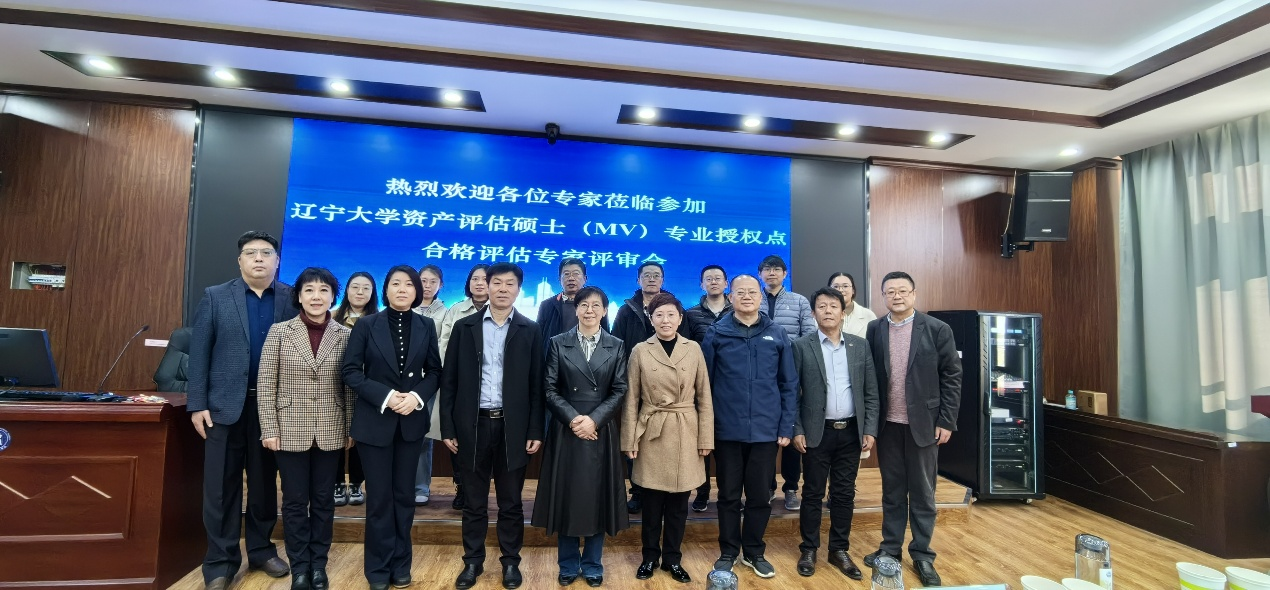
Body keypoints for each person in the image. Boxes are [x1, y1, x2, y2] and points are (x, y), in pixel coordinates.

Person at [188, 231, 297, 590]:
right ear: (240, 261)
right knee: (221, 487)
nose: (259, 259)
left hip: (271, 409)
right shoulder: (216, 296)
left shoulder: (291, 298)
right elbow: (199, 353)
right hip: (223, 408)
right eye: (251, 253)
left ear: (277, 260)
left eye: (266, 253)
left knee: (264, 485)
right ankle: (220, 562)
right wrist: (197, 404)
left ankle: (262, 550)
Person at [440, 263, 545, 590]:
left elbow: (537, 385)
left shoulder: (530, 329)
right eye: (496, 282)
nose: (502, 289)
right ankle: (472, 562)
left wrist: (535, 430)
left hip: (513, 429)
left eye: (509, 284)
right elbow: (449, 380)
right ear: (486, 287)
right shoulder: (465, 327)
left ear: (518, 290)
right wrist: (447, 427)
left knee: (511, 502)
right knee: (474, 501)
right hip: (472, 426)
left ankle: (511, 562)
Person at [341, 265, 443, 590]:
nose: (402, 289)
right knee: (379, 500)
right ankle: (377, 569)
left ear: (417, 292)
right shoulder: (366, 324)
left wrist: (415, 397)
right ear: (385, 290)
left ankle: (401, 565)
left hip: (410, 424)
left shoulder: (426, 325)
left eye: (408, 285)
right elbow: (351, 371)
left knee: (404, 497)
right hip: (375, 423)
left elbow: (435, 372)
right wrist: (385, 396)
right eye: (395, 284)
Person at [863, 271, 962, 588]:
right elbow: (870, 377)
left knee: (922, 492)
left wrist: (946, 420)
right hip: (888, 425)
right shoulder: (875, 329)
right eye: (890, 291)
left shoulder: (936, 329)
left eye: (903, 290)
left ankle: (922, 554)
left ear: (914, 294)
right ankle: (890, 549)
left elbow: (952, 376)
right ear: (883, 296)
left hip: (925, 425)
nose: (897, 296)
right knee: (892, 491)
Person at [257, 267, 353, 590]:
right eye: (309, 290)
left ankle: (318, 566)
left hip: (330, 427)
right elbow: (266, 383)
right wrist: (269, 427)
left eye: (324, 290)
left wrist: (350, 428)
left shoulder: (345, 335)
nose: (316, 296)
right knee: (295, 501)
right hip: (288, 428)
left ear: (333, 297)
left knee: (324, 501)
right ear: (298, 296)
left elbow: (350, 387)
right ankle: (299, 567)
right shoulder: (279, 332)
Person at [532, 286, 629, 587]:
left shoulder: (616, 345)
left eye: (596, 305)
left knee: (597, 497)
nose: (589, 310)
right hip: (567, 429)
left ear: (605, 310)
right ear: (575, 310)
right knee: (567, 497)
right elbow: (549, 388)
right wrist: (574, 419)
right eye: (584, 305)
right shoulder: (558, 342)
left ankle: (592, 564)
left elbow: (620, 389)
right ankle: (568, 564)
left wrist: (594, 420)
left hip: (600, 430)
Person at [702, 275, 798, 579]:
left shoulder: (777, 333)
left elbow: (789, 383)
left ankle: (754, 551)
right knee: (728, 495)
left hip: (765, 431)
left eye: (752, 292)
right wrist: (706, 428)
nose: (746, 296)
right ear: (730, 297)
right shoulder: (716, 333)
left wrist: (786, 425)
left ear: (760, 297)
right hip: (726, 430)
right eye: (740, 292)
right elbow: (704, 386)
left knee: (759, 496)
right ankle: (729, 551)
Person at [622, 293, 713, 585]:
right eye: (659, 315)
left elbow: (704, 397)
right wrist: (629, 440)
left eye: (671, 314)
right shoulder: (640, 350)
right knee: (651, 504)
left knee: (678, 505)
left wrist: (705, 438)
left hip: (686, 431)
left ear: (680, 318)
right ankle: (649, 557)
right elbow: (631, 399)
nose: (665, 320)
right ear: (651, 319)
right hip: (652, 431)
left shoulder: (693, 348)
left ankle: (673, 559)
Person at [791, 287, 880, 581]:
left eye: (833, 306)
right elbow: (791, 392)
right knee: (812, 493)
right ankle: (809, 549)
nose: (828, 311)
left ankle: (839, 549)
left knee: (844, 494)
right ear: (813, 313)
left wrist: (869, 428)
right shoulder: (801, 346)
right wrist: (797, 429)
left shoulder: (859, 346)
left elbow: (870, 391)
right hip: (816, 433)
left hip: (851, 432)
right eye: (822, 306)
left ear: (843, 313)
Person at [610, 260, 692, 513]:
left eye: (656, 275)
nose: (652, 279)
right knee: (637, 438)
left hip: (672, 389)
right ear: (638, 280)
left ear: (663, 280)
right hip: (638, 385)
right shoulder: (627, 310)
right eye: (646, 275)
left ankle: (669, 487)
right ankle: (638, 491)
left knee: (669, 443)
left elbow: (686, 345)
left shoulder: (676, 308)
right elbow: (616, 346)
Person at [756, 255, 814, 512]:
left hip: (791, 373)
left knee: (790, 430)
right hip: (762, 376)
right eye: (767, 269)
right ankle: (767, 486)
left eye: (776, 269)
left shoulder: (799, 301)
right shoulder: (753, 299)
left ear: (784, 273)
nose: (771, 273)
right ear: (760, 274)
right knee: (766, 435)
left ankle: (791, 488)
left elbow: (808, 335)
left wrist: (791, 359)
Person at [436, 263, 489, 510]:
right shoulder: (456, 310)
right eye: (475, 278)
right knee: (460, 437)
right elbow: (444, 343)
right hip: (460, 382)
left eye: (485, 279)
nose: (479, 283)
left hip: (491, 385)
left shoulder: (502, 310)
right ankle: (461, 486)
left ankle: (480, 488)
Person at [684, 264, 731, 512]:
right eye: (708, 279)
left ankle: (726, 493)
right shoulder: (690, 314)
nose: (713, 282)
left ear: (726, 283)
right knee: (699, 441)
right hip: (698, 386)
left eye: (718, 278)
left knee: (725, 444)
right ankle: (702, 492)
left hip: (729, 387)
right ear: (701, 284)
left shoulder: (737, 311)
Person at [332, 271, 378, 508]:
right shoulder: (331, 317)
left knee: (361, 438)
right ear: (347, 290)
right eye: (355, 287)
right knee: (335, 436)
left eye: (366, 288)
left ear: (373, 293)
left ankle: (357, 483)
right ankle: (337, 483)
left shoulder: (379, 320)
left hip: (365, 387)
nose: (360, 292)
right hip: (334, 385)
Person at [414, 264, 448, 507]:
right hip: (400, 381)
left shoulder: (446, 313)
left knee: (423, 436)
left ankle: (420, 486)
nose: (427, 285)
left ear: (440, 285)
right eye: (423, 280)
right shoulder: (404, 306)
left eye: (432, 281)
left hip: (428, 381)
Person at [537, 258, 609, 355]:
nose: (571, 278)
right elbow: (539, 337)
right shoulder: (547, 305)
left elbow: (606, 335)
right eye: (566, 274)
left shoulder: (597, 305)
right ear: (559, 279)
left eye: (576, 274)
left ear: (585, 279)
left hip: (588, 358)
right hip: (555, 358)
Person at [828, 272, 877, 339]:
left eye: (845, 286)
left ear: (853, 290)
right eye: (836, 286)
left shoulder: (868, 315)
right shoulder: (821, 314)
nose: (840, 290)